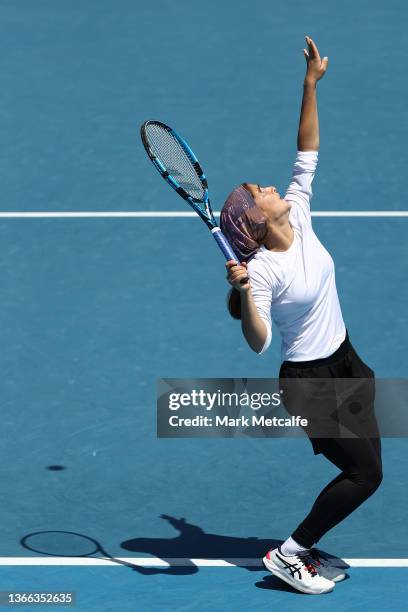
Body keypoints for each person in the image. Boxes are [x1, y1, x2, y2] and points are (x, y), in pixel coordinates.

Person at [221, 36, 382, 595]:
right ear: (256, 221)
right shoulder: (262, 270)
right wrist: (244, 296)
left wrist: (310, 84)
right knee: (366, 475)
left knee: (370, 455)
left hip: (344, 356)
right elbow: (259, 342)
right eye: (258, 191)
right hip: (309, 381)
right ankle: (289, 554)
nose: (270, 186)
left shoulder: (302, 214)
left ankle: (304, 546)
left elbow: (305, 149)